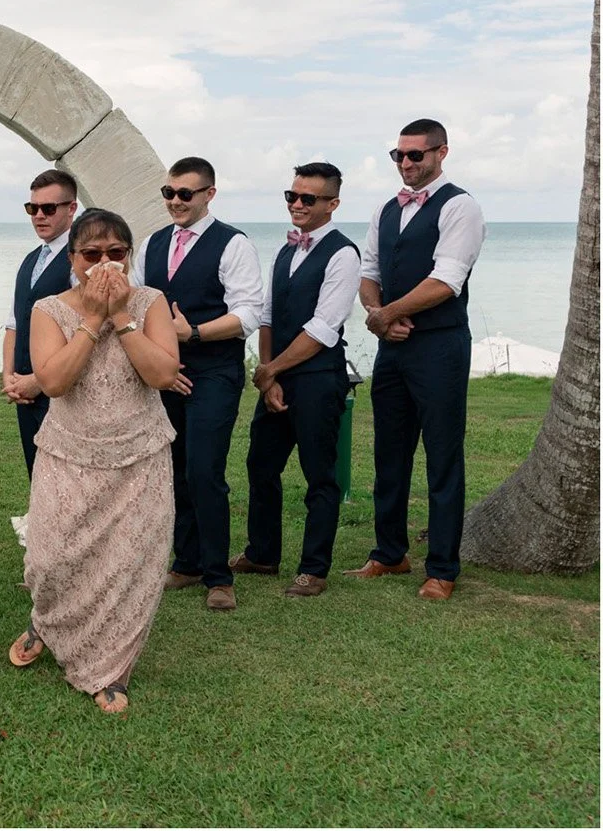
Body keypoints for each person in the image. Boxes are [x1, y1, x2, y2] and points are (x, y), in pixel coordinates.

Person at [11, 210, 180, 715]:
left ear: (129, 256)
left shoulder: (151, 303)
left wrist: (122, 318)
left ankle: (111, 670)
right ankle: (45, 621)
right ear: (72, 259)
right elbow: (54, 382)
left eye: (116, 253)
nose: (104, 263)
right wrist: (91, 319)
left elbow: (163, 374)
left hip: (139, 454)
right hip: (68, 453)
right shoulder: (48, 310)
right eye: (91, 254)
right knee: (49, 561)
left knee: (130, 566)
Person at [348, 119, 486, 601]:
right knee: (389, 452)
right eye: (398, 155)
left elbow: (447, 279)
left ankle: (443, 568)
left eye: (415, 155)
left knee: (442, 456)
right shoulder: (386, 209)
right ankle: (390, 553)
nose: (405, 163)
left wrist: (388, 313)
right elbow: (369, 273)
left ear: (441, 153)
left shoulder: (460, 206)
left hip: (440, 346)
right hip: (393, 347)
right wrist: (378, 316)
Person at [138, 156, 264, 612]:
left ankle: (218, 576)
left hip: (214, 373)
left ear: (209, 194)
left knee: (205, 470)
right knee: (173, 470)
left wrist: (191, 333)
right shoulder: (151, 244)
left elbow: (249, 313)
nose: (175, 201)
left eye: (184, 194)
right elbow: (138, 304)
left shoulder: (233, 244)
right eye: (168, 193)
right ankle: (187, 562)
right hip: (164, 375)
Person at [240, 164, 360, 598]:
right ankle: (262, 554)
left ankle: (313, 568)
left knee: (319, 475)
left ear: (332, 204)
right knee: (261, 465)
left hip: (318, 379)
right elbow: (268, 316)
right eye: (292, 196)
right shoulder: (285, 251)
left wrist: (272, 369)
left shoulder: (344, 255)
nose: (297, 204)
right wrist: (268, 375)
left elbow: (323, 328)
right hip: (278, 376)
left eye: (308, 198)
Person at [3, 170, 79, 477]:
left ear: (71, 208)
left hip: (64, 395)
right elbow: (14, 323)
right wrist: (9, 376)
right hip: (24, 394)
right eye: (32, 208)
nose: (39, 216)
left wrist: (39, 380)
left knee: (65, 479)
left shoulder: (79, 261)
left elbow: (87, 331)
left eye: (48, 208)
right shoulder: (30, 260)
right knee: (36, 476)